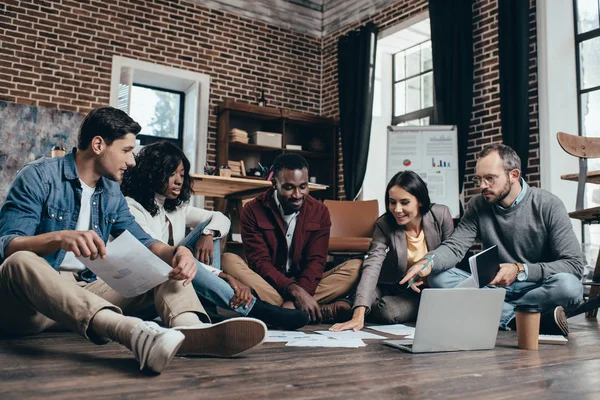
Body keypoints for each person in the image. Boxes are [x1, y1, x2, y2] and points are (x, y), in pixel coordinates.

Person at [0, 107, 266, 375]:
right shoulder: (39, 176)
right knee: (19, 260)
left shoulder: (111, 191)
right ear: (98, 145)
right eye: (126, 151)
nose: (132, 161)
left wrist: (177, 252)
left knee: (163, 267)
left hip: (88, 292)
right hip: (34, 303)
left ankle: (191, 331)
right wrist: (58, 238)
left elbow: (144, 241)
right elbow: (7, 244)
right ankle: (132, 333)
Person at [121, 141, 309, 330]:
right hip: (148, 287)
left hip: (178, 275)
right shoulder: (132, 207)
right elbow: (162, 256)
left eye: (182, 174)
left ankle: (209, 309)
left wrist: (208, 234)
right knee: (180, 254)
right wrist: (225, 276)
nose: (178, 180)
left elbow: (220, 218)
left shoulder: (175, 207)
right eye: (171, 174)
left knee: (210, 228)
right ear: (153, 173)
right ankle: (255, 309)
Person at [400, 143, 584, 336]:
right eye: (478, 179)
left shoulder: (548, 204)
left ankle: (496, 312)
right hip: (494, 287)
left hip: (536, 286)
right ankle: (515, 318)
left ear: (513, 175)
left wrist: (520, 270)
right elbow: (455, 247)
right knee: (438, 276)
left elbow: (574, 265)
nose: (482, 186)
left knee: (569, 286)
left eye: (489, 179)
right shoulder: (478, 205)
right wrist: (427, 262)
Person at [221, 153, 362, 323]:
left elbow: (316, 261)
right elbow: (259, 262)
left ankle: (282, 311)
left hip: (306, 283)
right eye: (289, 187)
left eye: (303, 186)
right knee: (228, 260)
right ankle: (316, 310)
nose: (297, 194)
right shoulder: (252, 210)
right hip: (268, 284)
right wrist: (294, 291)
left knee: (357, 267)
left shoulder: (320, 211)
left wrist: (301, 291)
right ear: (274, 184)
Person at [330, 171, 454, 332]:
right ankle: (346, 308)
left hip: (424, 292)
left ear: (420, 201)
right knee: (364, 294)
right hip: (391, 285)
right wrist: (358, 314)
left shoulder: (440, 215)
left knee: (387, 311)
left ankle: (350, 304)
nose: (397, 209)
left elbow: (452, 255)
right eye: (392, 202)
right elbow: (373, 263)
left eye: (404, 202)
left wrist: (428, 277)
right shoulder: (385, 223)